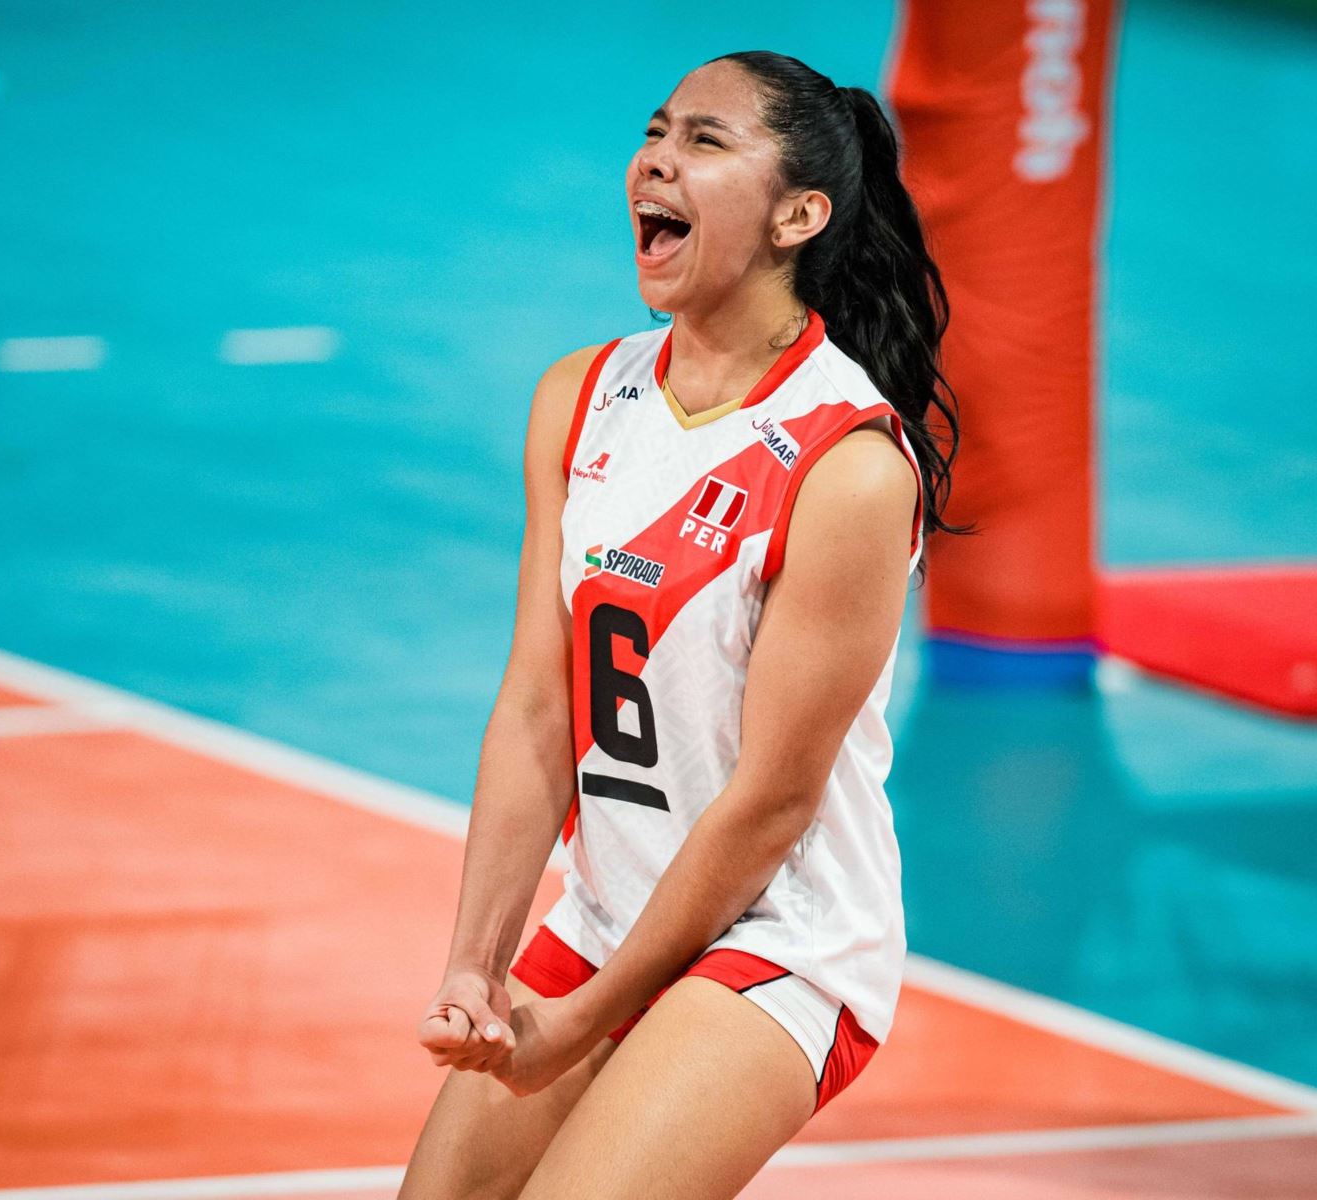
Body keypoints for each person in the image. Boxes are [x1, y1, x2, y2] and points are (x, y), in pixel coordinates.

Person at [399, 48, 962, 1200]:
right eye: (656, 133)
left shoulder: (845, 464)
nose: (657, 158)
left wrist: (583, 1021)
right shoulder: (581, 395)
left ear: (798, 215)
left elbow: (771, 803)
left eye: (706, 141)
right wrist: (475, 962)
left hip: (781, 941)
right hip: (612, 909)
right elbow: (538, 707)